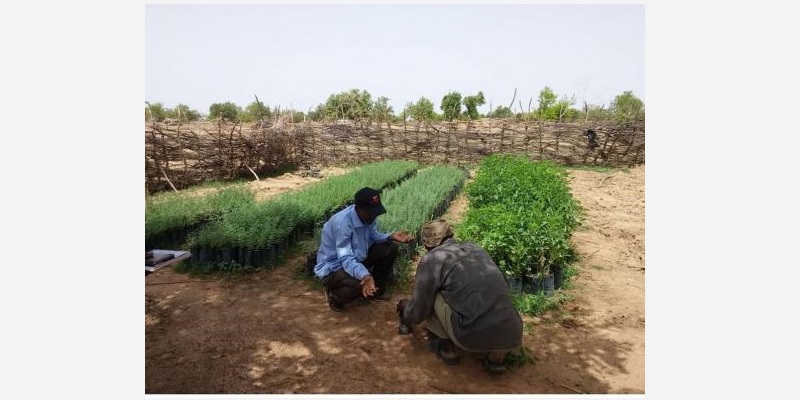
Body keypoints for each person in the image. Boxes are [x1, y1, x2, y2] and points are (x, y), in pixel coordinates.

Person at [395, 219, 523, 373]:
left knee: (433, 294)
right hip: (512, 331)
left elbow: (419, 310)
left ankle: (446, 348)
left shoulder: (433, 258)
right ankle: (496, 359)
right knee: (490, 296)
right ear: (451, 235)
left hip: (471, 336)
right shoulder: (476, 248)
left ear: (427, 245)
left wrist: (406, 307)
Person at [314, 187, 414, 312]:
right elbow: (346, 258)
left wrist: (390, 236)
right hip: (335, 266)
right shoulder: (342, 223)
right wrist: (365, 275)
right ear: (359, 208)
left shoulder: (368, 217)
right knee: (359, 285)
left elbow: (372, 235)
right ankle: (336, 297)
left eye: (375, 212)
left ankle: (376, 290)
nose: (373, 216)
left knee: (390, 247)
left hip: (357, 257)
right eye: (370, 212)